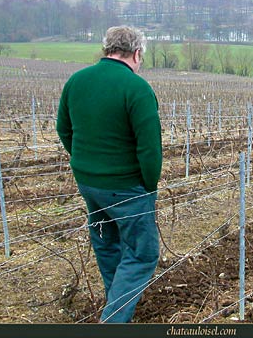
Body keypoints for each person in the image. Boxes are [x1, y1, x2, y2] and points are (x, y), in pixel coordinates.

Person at [56, 26, 162, 323]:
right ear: (137, 53)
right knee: (142, 253)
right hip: (126, 187)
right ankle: (114, 319)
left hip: (89, 184)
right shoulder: (137, 88)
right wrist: (148, 187)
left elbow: (63, 129)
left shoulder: (77, 80)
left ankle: (115, 305)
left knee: (107, 244)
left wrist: (83, 161)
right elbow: (150, 150)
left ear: (107, 49)